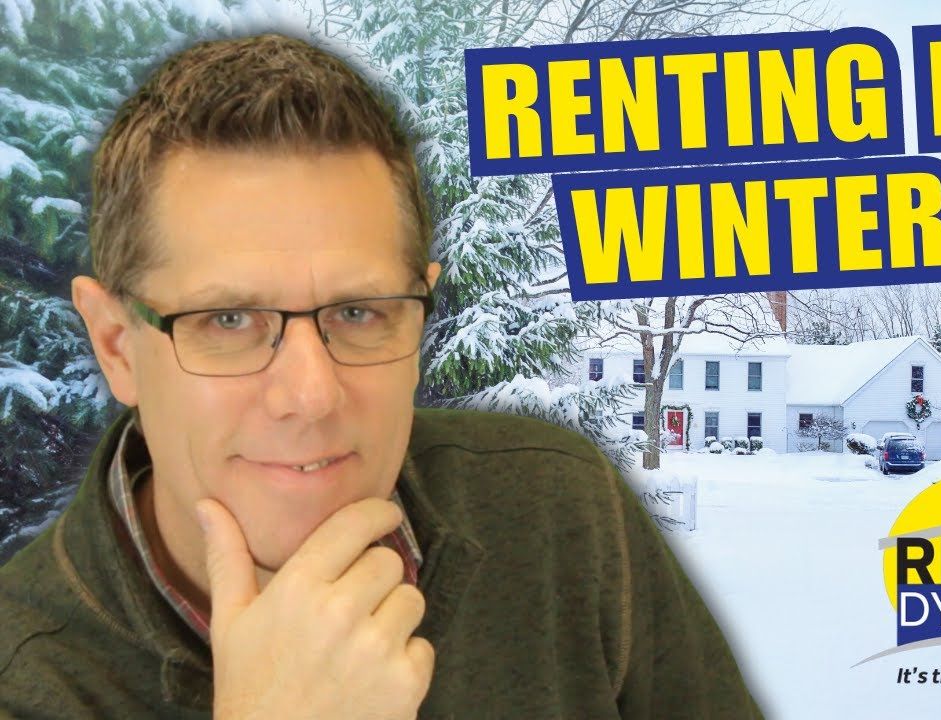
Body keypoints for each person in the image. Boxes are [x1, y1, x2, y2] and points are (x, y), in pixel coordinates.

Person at [0, 33, 763, 719]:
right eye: (228, 320)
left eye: (361, 312)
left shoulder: (563, 513)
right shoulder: (27, 679)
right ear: (117, 345)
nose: (310, 394)